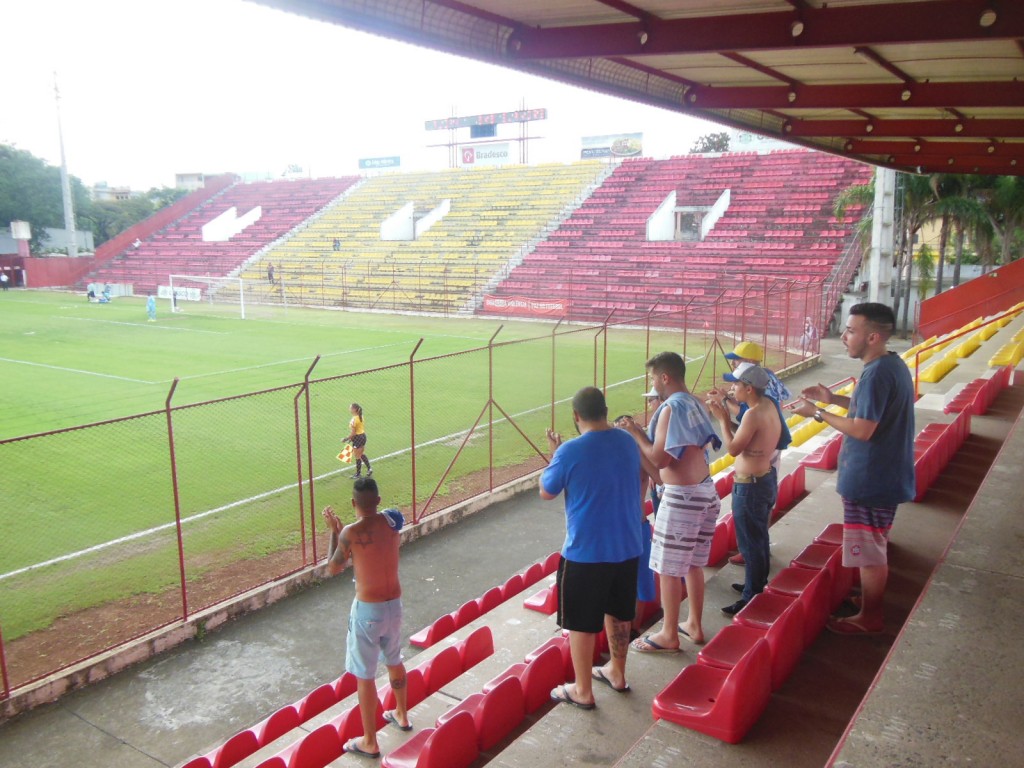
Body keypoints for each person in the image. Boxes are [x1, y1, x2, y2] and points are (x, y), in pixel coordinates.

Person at [789, 302, 915, 635]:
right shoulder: (890, 365)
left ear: (872, 336)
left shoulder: (876, 374)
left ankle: (871, 616)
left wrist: (816, 412)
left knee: (869, 550)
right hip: (884, 475)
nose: (844, 336)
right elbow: (871, 410)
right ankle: (869, 600)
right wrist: (833, 399)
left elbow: (863, 428)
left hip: (871, 480)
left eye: (851, 330)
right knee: (874, 543)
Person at [540, 387, 645, 708]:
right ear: (604, 410)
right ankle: (617, 672)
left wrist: (554, 454)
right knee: (619, 612)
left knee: (581, 622)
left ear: (576, 416)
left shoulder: (569, 451)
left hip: (586, 552)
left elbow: (547, 490)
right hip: (628, 545)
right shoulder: (627, 441)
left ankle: (583, 690)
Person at [621, 351, 722, 649]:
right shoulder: (695, 402)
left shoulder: (670, 407)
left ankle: (668, 634)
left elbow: (661, 459)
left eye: (654, 377)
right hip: (704, 489)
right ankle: (694, 624)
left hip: (683, 497)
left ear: (664, 377)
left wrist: (636, 433)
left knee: (667, 568)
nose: (653, 384)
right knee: (692, 564)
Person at [322, 478, 410, 758]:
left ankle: (370, 741)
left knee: (365, 675)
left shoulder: (350, 532)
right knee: (394, 660)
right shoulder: (393, 521)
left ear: (353, 504)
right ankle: (402, 715)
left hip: (367, 611)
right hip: (394, 605)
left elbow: (333, 568)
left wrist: (334, 533)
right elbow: (394, 519)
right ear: (379, 500)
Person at [707, 364, 784, 614]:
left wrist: (722, 419)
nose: (732, 389)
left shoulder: (752, 414)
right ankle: (756, 584)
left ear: (749, 388)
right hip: (764, 479)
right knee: (759, 537)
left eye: (736, 385)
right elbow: (743, 439)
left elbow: (732, 449)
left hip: (750, 485)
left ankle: (752, 596)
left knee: (751, 542)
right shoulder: (768, 405)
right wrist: (728, 418)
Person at [717, 340, 792, 565]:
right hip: (767, 460)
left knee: (752, 517)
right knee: (759, 515)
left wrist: (722, 416)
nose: (734, 364)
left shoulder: (756, 407)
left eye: (737, 360)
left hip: (754, 475)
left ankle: (753, 572)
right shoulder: (766, 389)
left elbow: (734, 445)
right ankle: (756, 558)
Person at [343, 403, 372, 478]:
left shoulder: (353, 419)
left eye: (350, 408)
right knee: (361, 454)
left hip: (357, 438)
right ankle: (369, 468)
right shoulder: (361, 416)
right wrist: (351, 439)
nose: (349, 409)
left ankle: (358, 474)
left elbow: (353, 433)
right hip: (363, 436)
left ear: (354, 409)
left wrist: (346, 438)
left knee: (357, 456)